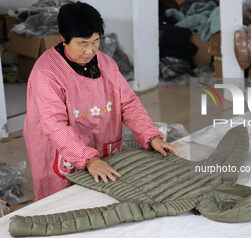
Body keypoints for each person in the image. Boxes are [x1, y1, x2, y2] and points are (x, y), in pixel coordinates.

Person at [24, 1, 177, 201]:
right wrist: (88, 159)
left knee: (102, 199)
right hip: (62, 151)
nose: (90, 51)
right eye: (82, 44)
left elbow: (128, 103)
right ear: (63, 39)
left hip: (100, 145)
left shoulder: (106, 63)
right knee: (64, 204)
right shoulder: (47, 72)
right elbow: (55, 125)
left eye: (95, 41)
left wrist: (150, 136)